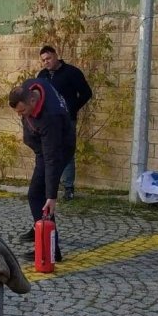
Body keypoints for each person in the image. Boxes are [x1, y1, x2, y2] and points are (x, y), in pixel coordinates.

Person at [8, 78, 76, 261]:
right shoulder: (33, 84)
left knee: (38, 195)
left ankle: (50, 250)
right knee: (35, 196)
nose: (20, 115)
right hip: (43, 147)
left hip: (58, 150)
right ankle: (38, 227)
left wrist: (52, 196)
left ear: (32, 101)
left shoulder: (50, 117)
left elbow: (52, 159)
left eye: (22, 111)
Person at [37, 45, 93, 201]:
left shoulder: (72, 72)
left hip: (67, 120)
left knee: (66, 152)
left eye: (48, 58)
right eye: (43, 60)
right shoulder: (42, 75)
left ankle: (68, 188)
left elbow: (86, 93)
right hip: (47, 122)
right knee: (47, 153)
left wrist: (72, 108)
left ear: (56, 56)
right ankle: (48, 187)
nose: (46, 62)